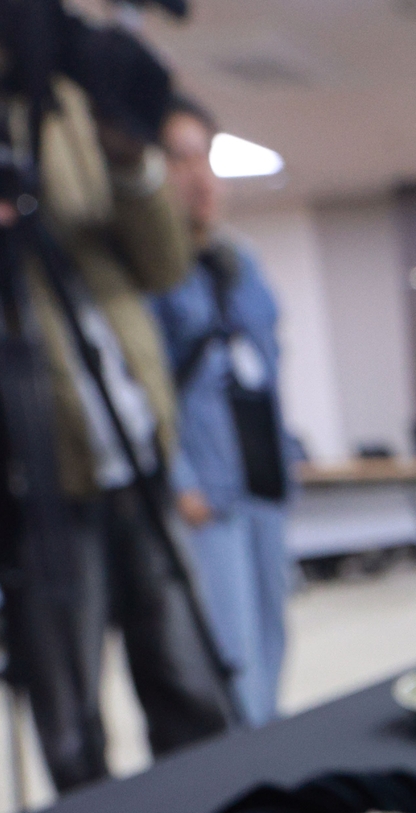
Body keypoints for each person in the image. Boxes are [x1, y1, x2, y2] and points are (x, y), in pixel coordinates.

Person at [0, 10, 234, 793]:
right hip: (31, 469)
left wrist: (130, 157)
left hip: (135, 449)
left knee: (188, 683)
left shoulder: (70, 116)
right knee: (69, 714)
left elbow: (162, 265)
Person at [153, 95, 293, 726]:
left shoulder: (243, 264)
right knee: (230, 653)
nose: (199, 175)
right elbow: (143, 385)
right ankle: (247, 767)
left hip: (263, 481)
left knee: (272, 638)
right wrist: (179, 480)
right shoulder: (152, 276)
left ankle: (264, 747)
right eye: (180, 159)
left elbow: (267, 367)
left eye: (206, 156)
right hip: (209, 494)